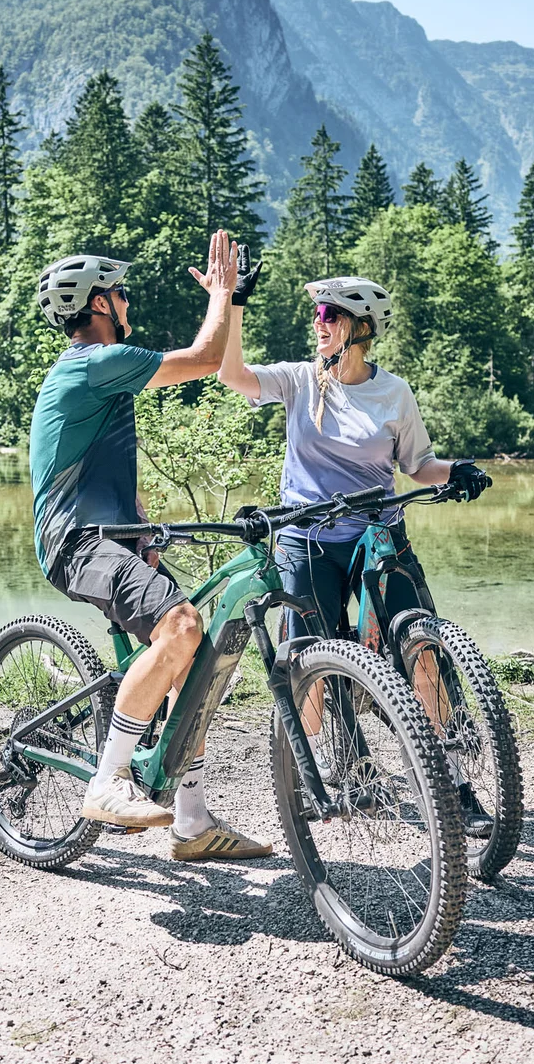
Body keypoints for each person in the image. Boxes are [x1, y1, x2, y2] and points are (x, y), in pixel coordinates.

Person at [212, 275, 497, 832]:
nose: (317, 324)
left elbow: (418, 466)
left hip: (378, 536)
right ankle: (330, 766)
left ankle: (457, 780)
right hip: (307, 538)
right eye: (317, 314)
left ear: (361, 329)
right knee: (307, 662)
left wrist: (456, 471)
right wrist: (235, 303)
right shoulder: (298, 380)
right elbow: (232, 375)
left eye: (329, 315)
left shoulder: (394, 393)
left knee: (422, 652)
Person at [28, 229, 272, 862]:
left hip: (110, 534)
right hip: (77, 543)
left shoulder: (100, 380)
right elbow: (206, 355)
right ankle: (110, 780)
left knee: (193, 660)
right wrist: (224, 294)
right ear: (100, 304)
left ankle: (190, 823)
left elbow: (102, 466)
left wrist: (142, 528)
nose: (127, 301)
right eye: (122, 293)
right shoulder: (94, 363)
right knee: (183, 625)